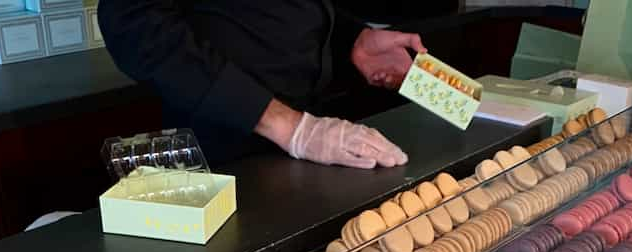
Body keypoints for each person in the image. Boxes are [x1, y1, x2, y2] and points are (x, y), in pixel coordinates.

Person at [98, 0, 427, 168]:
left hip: (309, 141)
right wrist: (286, 126)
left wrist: (355, 39)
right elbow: (134, 26)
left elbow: (280, 14)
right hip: (221, 156)